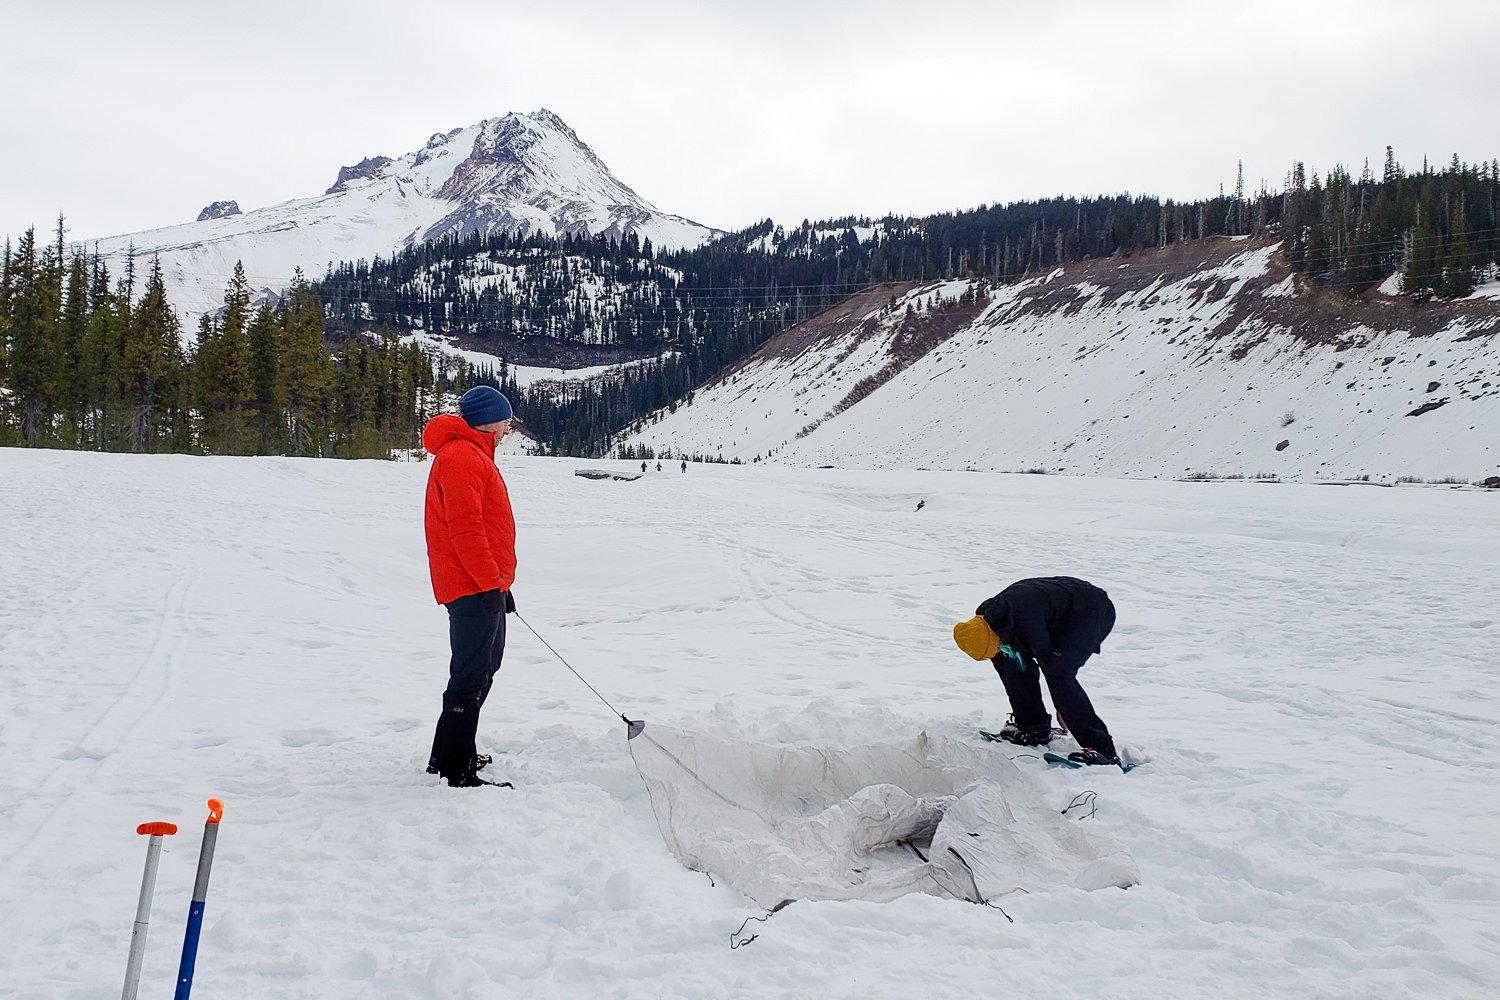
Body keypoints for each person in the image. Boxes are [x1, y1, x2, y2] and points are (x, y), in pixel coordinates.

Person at [422, 385, 518, 788]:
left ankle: (447, 753)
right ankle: (455, 769)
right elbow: (465, 530)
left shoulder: (472, 453)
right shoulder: (462, 456)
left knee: (482, 669)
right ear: (490, 420)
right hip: (473, 588)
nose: (509, 428)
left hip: (482, 585)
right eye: (506, 420)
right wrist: (489, 583)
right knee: (470, 677)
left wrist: (500, 584)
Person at [953, 577, 1120, 765]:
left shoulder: (1026, 622)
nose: (997, 650)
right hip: (1053, 612)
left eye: (994, 646)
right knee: (1006, 658)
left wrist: (1063, 706)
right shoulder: (989, 619)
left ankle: (1102, 750)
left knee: (1058, 672)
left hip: (1090, 611)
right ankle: (1032, 727)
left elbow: (1047, 657)